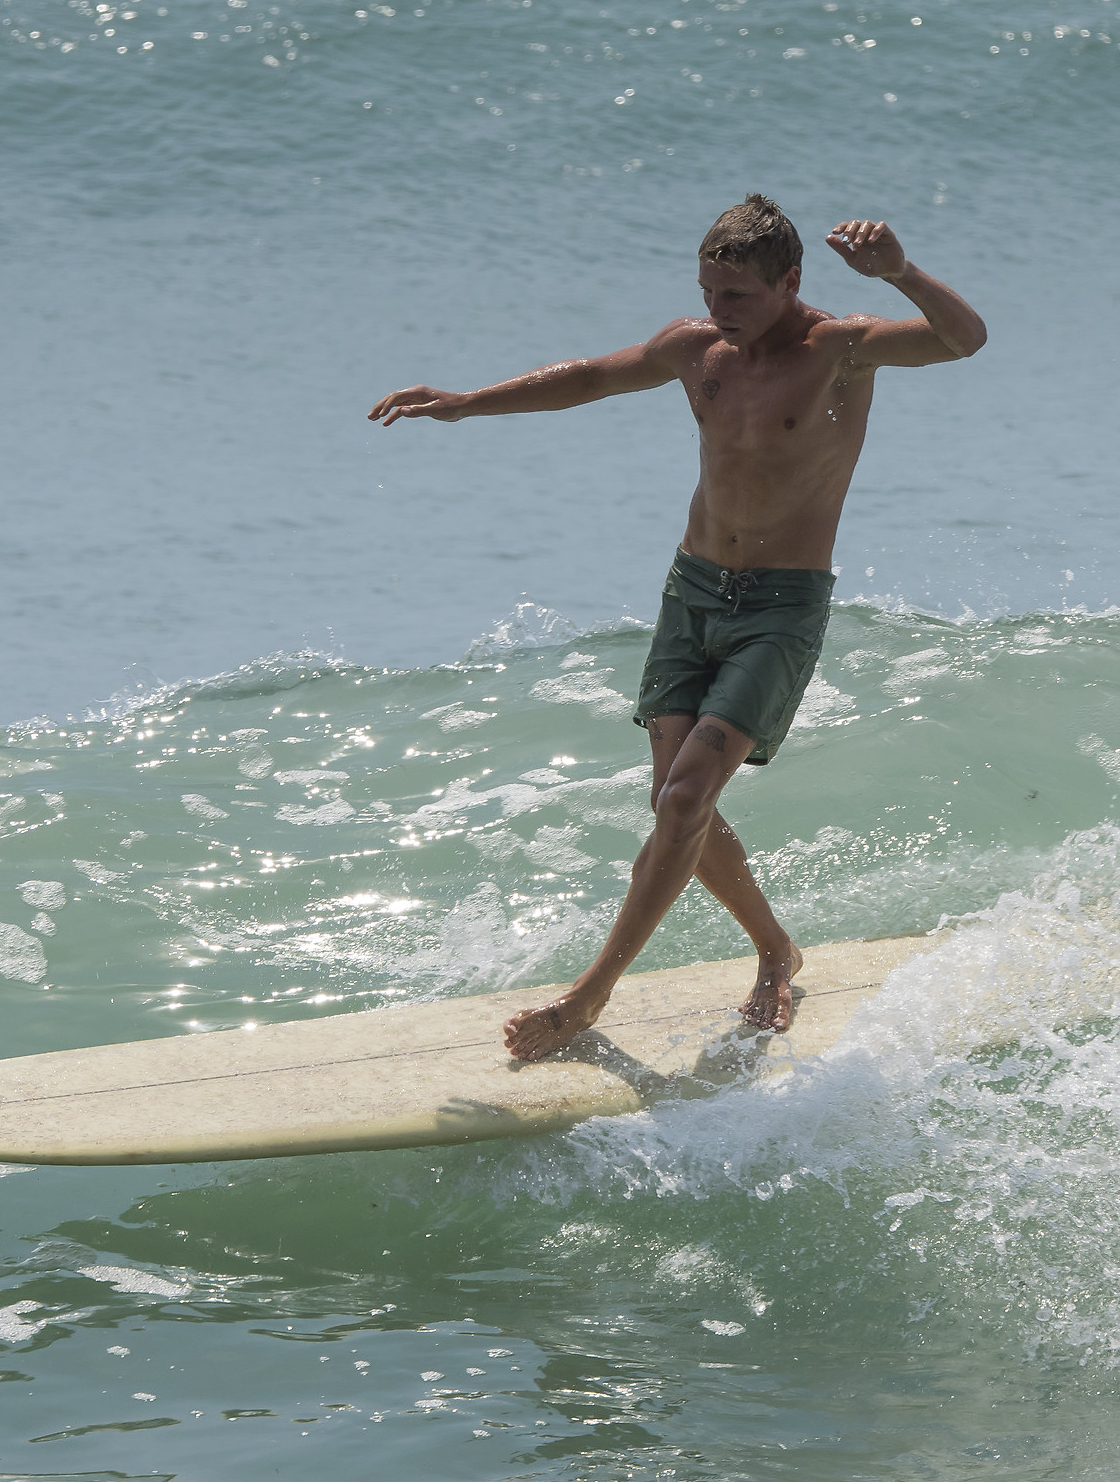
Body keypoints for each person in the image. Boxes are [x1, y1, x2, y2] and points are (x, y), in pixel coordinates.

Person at [369, 195, 986, 1061]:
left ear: (791, 281)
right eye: (707, 289)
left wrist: (904, 275)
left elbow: (964, 340)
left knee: (687, 798)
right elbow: (588, 377)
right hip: (692, 592)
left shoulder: (843, 350)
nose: (716, 311)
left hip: (780, 607)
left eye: (735, 295)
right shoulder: (695, 348)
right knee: (676, 807)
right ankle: (776, 949)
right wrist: (467, 403)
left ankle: (588, 997)